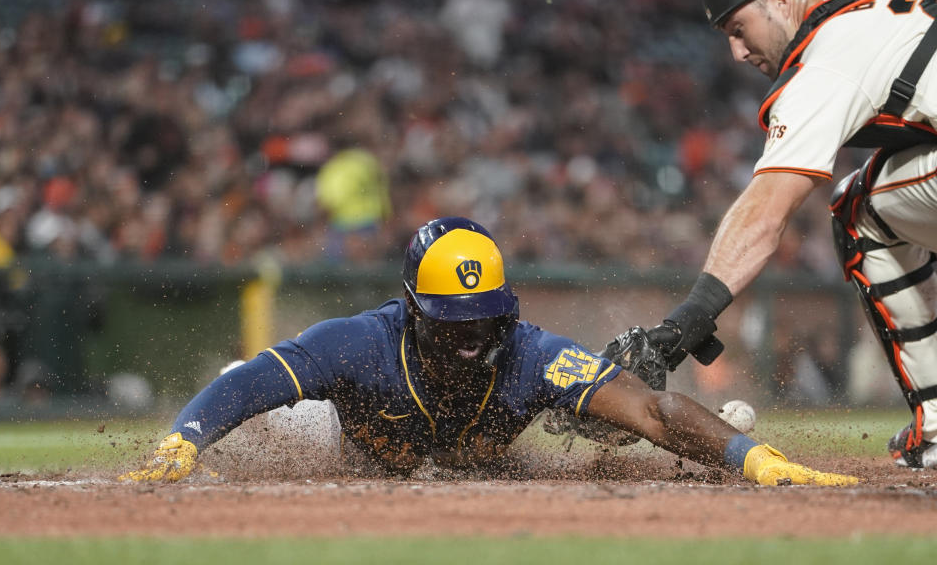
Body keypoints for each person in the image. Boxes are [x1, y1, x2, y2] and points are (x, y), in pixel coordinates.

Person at [120, 216, 855, 486]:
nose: (472, 343)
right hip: (335, 446)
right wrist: (186, 436)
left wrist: (752, 460)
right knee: (237, 399)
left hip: (454, 458)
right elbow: (258, 378)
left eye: (486, 323)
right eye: (452, 326)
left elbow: (658, 413)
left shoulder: (535, 356)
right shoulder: (358, 345)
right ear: (412, 312)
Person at [636, 0, 937, 469]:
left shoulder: (827, 57)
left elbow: (768, 208)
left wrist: (691, 316)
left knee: (857, 210)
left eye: (737, 29)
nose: (737, 51)